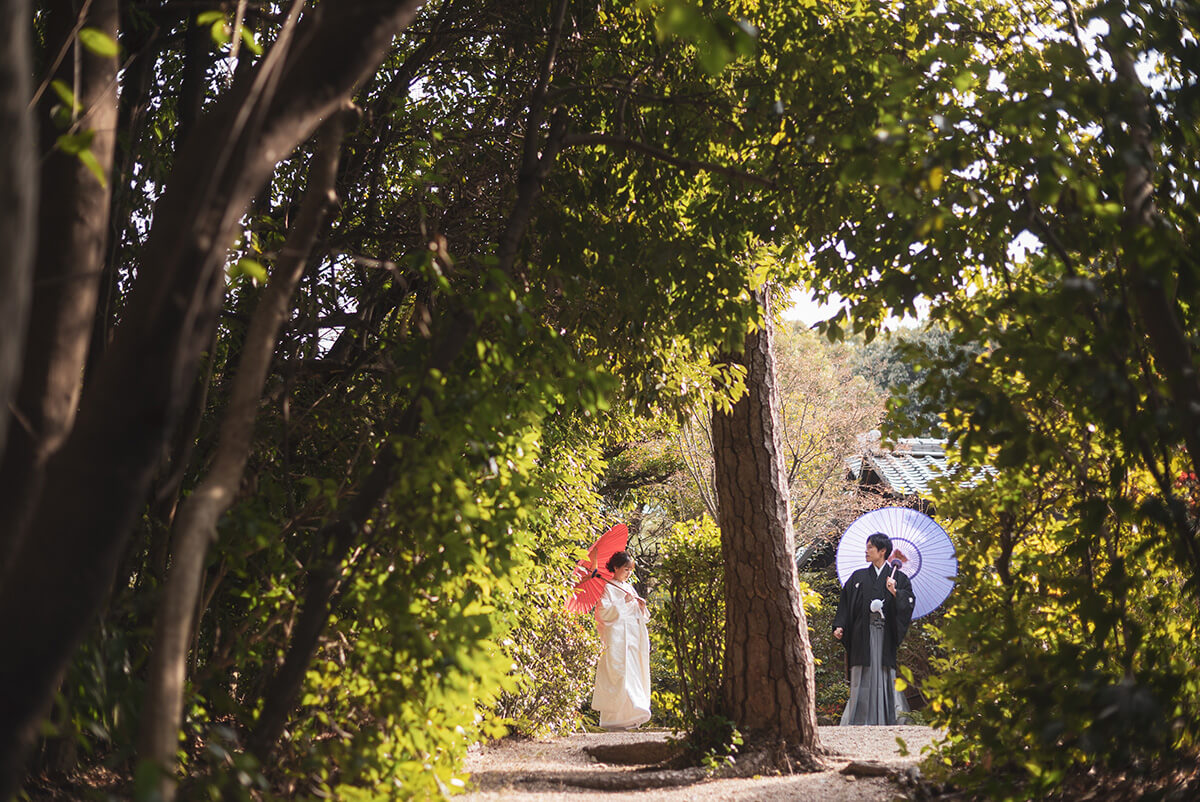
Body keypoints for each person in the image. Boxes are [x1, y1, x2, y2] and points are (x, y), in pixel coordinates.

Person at [832, 532, 915, 725]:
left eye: (870, 547)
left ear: (883, 551)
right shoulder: (858, 577)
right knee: (863, 671)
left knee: (884, 672)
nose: (866, 551)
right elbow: (845, 603)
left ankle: (886, 717)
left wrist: (895, 592)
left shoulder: (899, 579)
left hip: (884, 633)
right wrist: (840, 625)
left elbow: (909, 602)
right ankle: (860, 718)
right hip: (862, 633)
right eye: (867, 547)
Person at [591, 551, 651, 730]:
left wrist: (641, 607)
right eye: (626, 569)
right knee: (620, 674)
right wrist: (622, 603)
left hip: (633, 637)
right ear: (615, 568)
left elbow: (638, 615)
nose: (628, 573)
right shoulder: (608, 588)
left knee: (634, 671)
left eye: (630, 570)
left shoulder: (628, 587)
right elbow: (602, 613)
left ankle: (633, 715)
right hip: (618, 639)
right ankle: (617, 717)